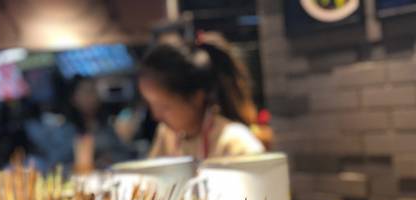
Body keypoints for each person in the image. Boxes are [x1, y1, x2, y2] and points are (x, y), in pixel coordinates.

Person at [139, 32, 265, 161]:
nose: (156, 115)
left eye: (164, 106)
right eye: (150, 104)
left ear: (197, 97)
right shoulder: (167, 135)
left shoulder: (235, 142)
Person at [64, 75, 131, 174]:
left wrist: (108, 161)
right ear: (73, 98)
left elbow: (125, 156)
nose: (91, 97)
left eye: (94, 91)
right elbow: (56, 165)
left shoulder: (107, 128)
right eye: (86, 92)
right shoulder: (65, 131)